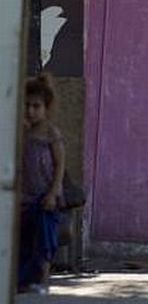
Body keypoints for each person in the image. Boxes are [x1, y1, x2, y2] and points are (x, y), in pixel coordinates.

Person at [18, 73, 65, 294]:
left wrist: (53, 192)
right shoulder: (23, 134)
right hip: (26, 197)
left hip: (46, 197)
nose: (31, 111)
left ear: (46, 107)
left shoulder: (51, 134)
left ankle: (42, 280)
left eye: (36, 106)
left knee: (45, 240)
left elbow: (59, 165)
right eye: (27, 105)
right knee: (25, 238)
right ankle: (25, 279)